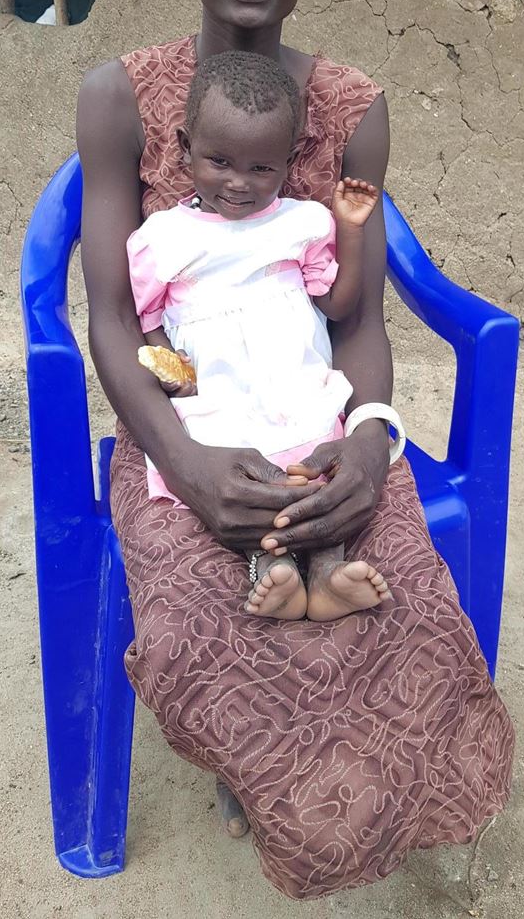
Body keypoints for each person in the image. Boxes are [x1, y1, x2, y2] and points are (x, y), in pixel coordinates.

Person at [77, 0, 514, 899]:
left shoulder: (352, 107)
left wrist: (368, 443)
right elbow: (106, 313)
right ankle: (262, 774)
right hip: (187, 416)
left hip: (315, 405)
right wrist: (181, 460)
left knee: (396, 591)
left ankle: (362, 804)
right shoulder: (120, 95)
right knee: (191, 618)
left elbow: (357, 312)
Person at [127, 48, 392, 621]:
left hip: (293, 383)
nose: (239, 183)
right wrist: (173, 371)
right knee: (247, 485)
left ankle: (329, 573)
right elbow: (144, 322)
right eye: (219, 161)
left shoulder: (302, 223)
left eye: (261, 169)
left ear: (289, 161)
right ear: (183, 149)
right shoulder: (162, 239)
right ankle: (270, 571)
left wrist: (349, 229)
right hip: (223, 397)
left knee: (316, 476)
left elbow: (340, 304)